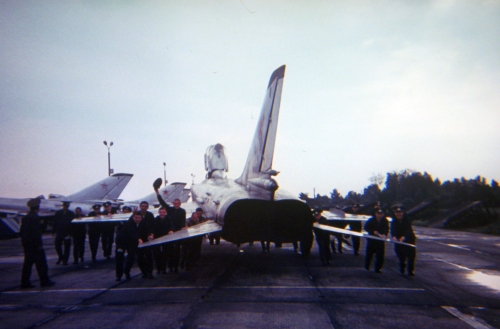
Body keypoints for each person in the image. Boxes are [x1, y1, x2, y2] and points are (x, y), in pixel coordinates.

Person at [20, 198, 55, 288]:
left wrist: (25, 244)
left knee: (27, 265)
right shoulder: (35, 217)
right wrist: (39, 245)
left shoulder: (25, 217)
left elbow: (22, 232)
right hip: (35, 246)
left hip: (27, 245)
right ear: (37, 207)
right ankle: (44, 281)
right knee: (41, 264)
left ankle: (24, 283)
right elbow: (36, 233)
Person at [154, 186, 186, 273]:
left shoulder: (183, 211)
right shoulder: (169, 209)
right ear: (173, 203)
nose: (176, 204)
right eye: (175, 203)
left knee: (177, 252)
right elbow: (162, 203)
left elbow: (183, 220)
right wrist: (157, 193)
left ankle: (175, 267)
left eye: (178, 203)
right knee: (169, 252)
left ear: (180, 204)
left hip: (178, 232)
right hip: (170, 232)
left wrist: (183, 227)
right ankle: (170, 267)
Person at [115, 211, 151, 281]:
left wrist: (149, 235)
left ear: (141, 218)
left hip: (131, 242)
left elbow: (146, 230)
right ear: (133, 217)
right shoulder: (129, 223)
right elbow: (131, 232)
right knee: (119, 259)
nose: (137, 219)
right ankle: (118, 276)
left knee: (131, 257)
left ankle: (126, 271)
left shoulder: (143, 223)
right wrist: (138, 239)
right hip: (121, 242)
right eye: (136, 217)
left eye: (139, 218)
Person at [390, 204, 417, 276]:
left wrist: (404, 237)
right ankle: (402, 268)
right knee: (400, 255)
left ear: (403, 212)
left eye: (400, 212)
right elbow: (393, 229)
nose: (398, 214)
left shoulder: (407, 220)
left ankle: (410, 271)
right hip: (399, 240)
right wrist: (394, 236)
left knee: (411, 256)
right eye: (396, 212)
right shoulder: (393, 220)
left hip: (409, 239)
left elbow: (408, 230)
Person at [364, 208, 389, 273]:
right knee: (369, 254)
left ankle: (378, 268)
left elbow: (386, 228)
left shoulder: (385, 220)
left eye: (381, 214)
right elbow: (366, 227)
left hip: (380, 240)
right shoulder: (371, 220)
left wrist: (384, 234)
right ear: (376, 214)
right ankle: (367, 266)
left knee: (380, 255)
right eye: (378, 214)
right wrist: (373, 231)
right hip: (371, 239)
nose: (380, 215)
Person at [136, 201, 155, 278]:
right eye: (142, 206)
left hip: (147, 238)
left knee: (149, 257)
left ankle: (150, 273)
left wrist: (152, 234)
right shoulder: (136, 215)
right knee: (140, 257)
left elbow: (153, 225)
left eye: (145, 206)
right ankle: (144, 272)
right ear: (140, 206)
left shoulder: (150, 215)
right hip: (138, 239)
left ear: (147, 207)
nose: (143, 207)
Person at [53, 201, 75, 265]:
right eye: (65, 206)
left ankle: (65, 260)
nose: (65, 207)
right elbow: (55, 222)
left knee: (67, 247)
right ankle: (61, 257)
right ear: (63, 206)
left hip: (67, 232)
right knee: (57, 245)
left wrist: (71, 233)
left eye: (67, 206)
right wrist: (53, 231)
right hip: (60, 232)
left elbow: (73, 224)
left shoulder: (71, 213)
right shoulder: (58, 213)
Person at [152, 207, 171, 275]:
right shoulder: (156, 219)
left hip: (166, 239)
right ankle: (158, 269)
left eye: (163, 212)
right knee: (157, 255)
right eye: (161, 212)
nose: (162, 213)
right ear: (159, 212)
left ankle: (164, 269)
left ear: (165, 213)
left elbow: (172, 226)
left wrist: (171, 230)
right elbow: (153, 228)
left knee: (165, 255)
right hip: (157, 239)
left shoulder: (168, 219)